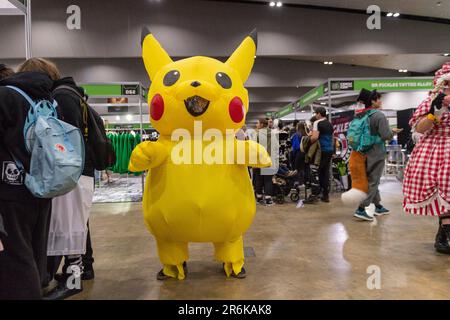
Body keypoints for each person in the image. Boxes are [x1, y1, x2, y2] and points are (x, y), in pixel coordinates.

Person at [0, 59, 58, 299]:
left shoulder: (5, 96)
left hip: (8, 190)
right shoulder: (48, 100)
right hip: (40, 187)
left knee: (14, 259)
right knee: (34, 255)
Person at [44, 72, 98, 300]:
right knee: (74, 226)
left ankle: (72, 279)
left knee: (71, 229)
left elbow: (64, 137)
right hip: (77, 171)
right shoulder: (74, 96)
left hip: (71, 172)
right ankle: (79, 271)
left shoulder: (62, 97)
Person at [403, 62, 450, 253]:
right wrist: (434, 114)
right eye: (447, 83)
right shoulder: (431, 101)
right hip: (437, 149)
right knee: (445, 191)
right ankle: (444, 232)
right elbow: (419, 128)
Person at [353, 90, 402, 221]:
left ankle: (378, 205)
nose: (380, 101)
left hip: (363, 150)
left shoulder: (361, 115)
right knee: (373, 180)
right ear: (373, 101)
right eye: (378, 99)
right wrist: (392, 132)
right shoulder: (379, 115)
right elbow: (385, 135)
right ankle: (361, 208)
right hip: (376, 151)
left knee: (371, 178)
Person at [309, 107, 334, 203]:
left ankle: (315, 194)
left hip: (321, 151)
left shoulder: (317, 123)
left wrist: (308, 140)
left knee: (316, 172)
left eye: (316, 113)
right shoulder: (329, 124)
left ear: (319, 114)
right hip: (329, 150)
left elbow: (315, 137)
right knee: (325, 172)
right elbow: (332, 138)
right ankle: (325, 195)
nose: (315, 115)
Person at [252, 118, 277, 206]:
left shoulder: (257, 134)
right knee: (268, 180)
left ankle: (259, 198)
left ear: (262, 124)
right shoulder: (273, 134)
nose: (256, 125)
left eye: (257, 123)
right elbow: (275, 147)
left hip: (259, 159)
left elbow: (254, 148)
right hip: (269, 160)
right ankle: (268, 199)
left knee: (258, 179)